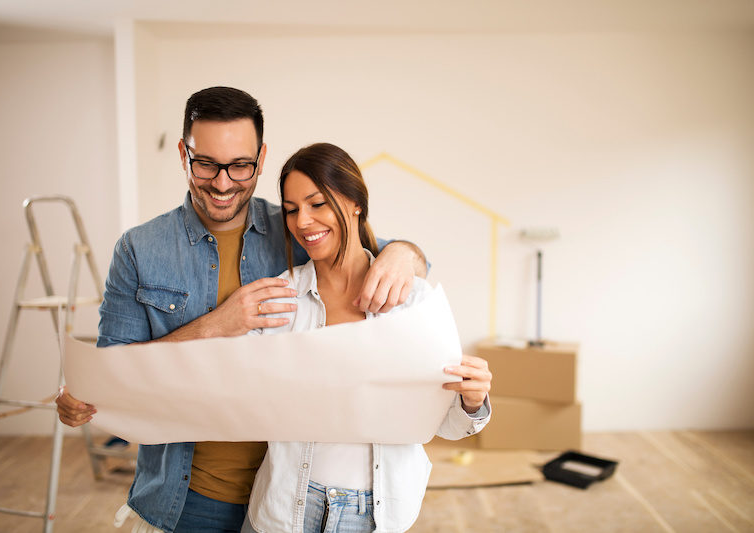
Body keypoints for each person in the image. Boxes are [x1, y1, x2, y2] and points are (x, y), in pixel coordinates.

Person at [55, 87, 428, 533]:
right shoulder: (140, 249)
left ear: (261, 157)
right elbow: (113, 374)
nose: (223, 182)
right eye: (206, 163)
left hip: (287, 497)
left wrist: (405, 252)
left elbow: (379, 256)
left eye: (240, 165)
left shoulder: (296, 226)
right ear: (183, 153)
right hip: (187, 496)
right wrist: (216, 326)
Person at [241, 143, 492, 533]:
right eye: (291, 210)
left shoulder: (416, 301)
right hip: (284, 509)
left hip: (374, 516)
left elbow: (444, 425)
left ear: (355, 202)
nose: (303, 221)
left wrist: (472, 400)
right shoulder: (278, 300)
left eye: (317, 204)